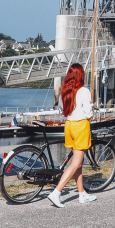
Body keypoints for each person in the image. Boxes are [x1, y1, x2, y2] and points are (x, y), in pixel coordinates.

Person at [47, 63, 97, 208]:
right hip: (80, 126)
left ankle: (82, 193)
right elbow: (88, 112)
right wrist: (91, 114)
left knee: (78, 162)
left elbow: (62, 109)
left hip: (69, 125)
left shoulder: (65, 91)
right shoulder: (84, 91)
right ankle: (57, 192)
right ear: (81, 75)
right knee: (75, 163)